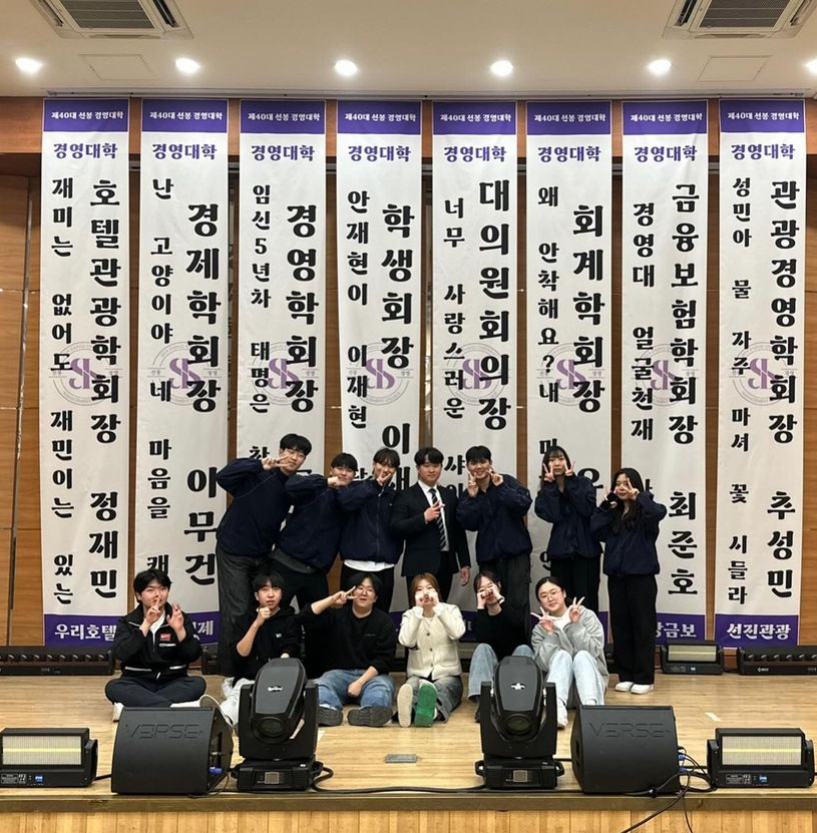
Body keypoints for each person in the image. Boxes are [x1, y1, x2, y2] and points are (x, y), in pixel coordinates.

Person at [214, 433, 311, 676]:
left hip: (263, 554)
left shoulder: (294, 485)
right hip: (234, 551)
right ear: (280, 451)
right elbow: (223, 476)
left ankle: (255, 668)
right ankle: (230, 672)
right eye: (290, 451)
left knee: (261, 610)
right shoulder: (258, 473)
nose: (294, 457)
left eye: (300, 454)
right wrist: (258, 464)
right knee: (237, 611)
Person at [591, 467, 667, 695]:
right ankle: (625, 675)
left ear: (635, 485)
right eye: (618, 484)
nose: (621, 487)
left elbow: (659, 512)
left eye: (626, 483)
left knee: (643, 627)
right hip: (617, 578)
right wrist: (606, 505)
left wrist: (639, 497)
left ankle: (644, 677)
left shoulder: (645, 512)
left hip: (641, 578)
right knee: (621, 627)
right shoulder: (613, 513)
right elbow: (595, 529)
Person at [299, 572, 397, 727]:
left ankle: (370, 712)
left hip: (371, 675)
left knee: (382, 689)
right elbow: (306, 616)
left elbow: (384, 660)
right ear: (351, 592)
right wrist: (332, 600)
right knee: (319, 685)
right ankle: (326, 710)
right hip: (338, 674)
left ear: (376, 598)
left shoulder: (384, 621)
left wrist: (360, 682)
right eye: (360, 588)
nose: (364, 593)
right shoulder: (336, 616)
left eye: (370, 590)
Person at [105, 569, 205, 720]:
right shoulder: (128, 622)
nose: (158, 594)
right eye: (150, 590)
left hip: (173, 681)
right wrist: (146, 624)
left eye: (163, 589)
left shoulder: (179, 618)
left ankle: (134, 708)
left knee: (198, 684)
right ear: (139, 595)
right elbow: (121, 653)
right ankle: (172, 708)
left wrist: (179, 630)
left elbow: (193, 654)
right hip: (137, 682)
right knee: (113, 687)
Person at [271, 452, 358, 609]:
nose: (344, 473)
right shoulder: (316, 486)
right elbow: (291, 484)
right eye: (339, 468)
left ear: (354, 475)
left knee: (319, 618)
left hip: (316, 571)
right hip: (285, 562)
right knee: (273, 613)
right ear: (331, 471)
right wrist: (325, 482)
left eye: (349, 470)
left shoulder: (352, 499)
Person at [457, 445, 533, 625]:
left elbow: (523, 505)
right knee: (491, 604)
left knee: (518, 603)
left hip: (516, 557)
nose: (479, 466)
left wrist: (502, 488)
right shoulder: (469, 493)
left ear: (490, 463)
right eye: (473, 463)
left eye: (483, 461)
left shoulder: (506, 482)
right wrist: (473, 498)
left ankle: (521, 643)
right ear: (467, 466)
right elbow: (468, 524)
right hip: (488, 559)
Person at [220, 570, 302, 726]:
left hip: (279, 679)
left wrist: (277, 669)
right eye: (265, 590)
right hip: (249, 678)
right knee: (237, 701)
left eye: (275, 589)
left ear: (281, 594)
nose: (271, 595)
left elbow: (291, 648)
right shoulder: (244, 620)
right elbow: (240, 653)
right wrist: (256, 624)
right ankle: (224, 720)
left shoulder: (290, 619)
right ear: (257, 596)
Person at [391, 447, 470, 603]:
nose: (432, 470)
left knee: (442, 610)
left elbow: (458, 531)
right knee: (419, 612)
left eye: (436, 465)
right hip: (418, 564)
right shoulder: (405, 495)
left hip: (446, 563)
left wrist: (465, 563)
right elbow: (396, 527)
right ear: (418, 468)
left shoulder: (449, 495)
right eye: (426, 466)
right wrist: (423, 518)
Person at [531, 576, 608, 728]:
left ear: (564, 593)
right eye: (544, 596)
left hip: (589, 688)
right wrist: (550, 635)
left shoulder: (586, 615)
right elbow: (543, 665)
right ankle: (556, 711)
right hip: (559, 689)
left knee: (582, 656)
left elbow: (594, 651)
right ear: (540, 602)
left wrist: (576, 626)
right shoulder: (540, 628)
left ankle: (591, 711)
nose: (550, 598)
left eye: (554, 592)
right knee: (562, 655)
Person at [534, 446, 601, 613]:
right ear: (546, 465)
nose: (557, 463)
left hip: (586, 552)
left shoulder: (583, 483)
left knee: (587, 600)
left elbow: (587, 510)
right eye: (552, 460)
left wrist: (571, 482)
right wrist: (551, 487)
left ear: (568, 461)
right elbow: (554, 516)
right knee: (562, 601)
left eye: (561, 458)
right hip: (560, 553)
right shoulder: (545, 492)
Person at [338, 448, 402, 612]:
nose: (385, 469)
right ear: (373, 464)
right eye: (382, 464)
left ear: (395, 470)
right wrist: (374, 485)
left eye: (391, 466)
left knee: (381, 614)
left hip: (385, 567)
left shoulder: (395, 496)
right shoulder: (355, 487)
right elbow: (345, 504)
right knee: (349, 613)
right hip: (354, 564)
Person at [397, 573, 465, 727]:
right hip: (418, 675)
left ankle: (430, 711)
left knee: (443, 691)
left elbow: (457, 633)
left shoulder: (451, 610)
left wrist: (438, 608)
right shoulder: (409, 615)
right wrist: (418, 613)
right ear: (413, 595)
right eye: (419, 590)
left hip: (447, 675)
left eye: (429, 588)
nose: (425, 593)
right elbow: (406, 641)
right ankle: (410, 711)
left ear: (437, 591)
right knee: (411, 688)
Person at [467, 570, 532, 717]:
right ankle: (485, 702)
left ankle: (521, 702)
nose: (488, 592)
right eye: (482, 589)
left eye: (490, 586)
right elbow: (482, 637)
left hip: (515, 669)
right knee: (482, 648)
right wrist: (480, 607)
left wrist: (499, 598)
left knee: (524, 649)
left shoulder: (513, 609)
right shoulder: (480, 618)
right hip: (493, 670)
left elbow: (517, 625)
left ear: (499, 586)